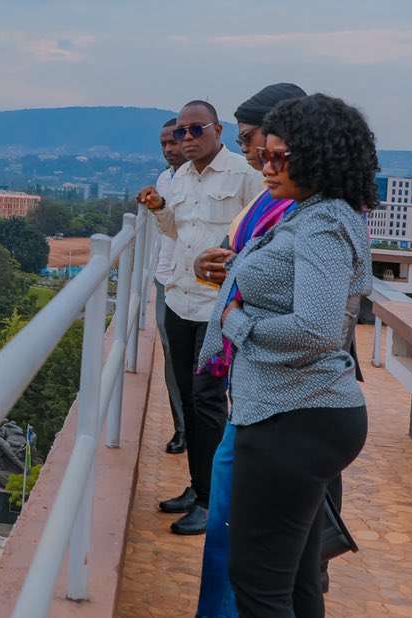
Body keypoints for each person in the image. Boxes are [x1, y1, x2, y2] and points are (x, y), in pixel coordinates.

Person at [198, 94, 377, 616]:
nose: (265, 165)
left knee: (257, 583)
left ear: (319, 158)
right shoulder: (314, 213)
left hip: (292, 417)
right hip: (301, 413)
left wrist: (235, 320)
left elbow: (316, 329)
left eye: (281, 157)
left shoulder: (321, 225)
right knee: (295, 580)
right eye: (265, 153)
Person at [192, 82, 308, 618]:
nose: (254, 155)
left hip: (284, 397)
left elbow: (317, 323)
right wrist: (220, 268)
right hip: (262, 389)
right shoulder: (278, 195)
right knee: (290, 558)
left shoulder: (318, 214)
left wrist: (233, 314)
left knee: (243, 540)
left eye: (254, 140)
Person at [137, 100, 264, 535]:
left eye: (195, 131)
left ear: (218, 130)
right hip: (179, 301)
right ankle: (197, 486)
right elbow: (180, 232)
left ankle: (213, 502)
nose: (185, 139)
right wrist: (159, 209)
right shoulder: (180, 178)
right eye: (179, 133)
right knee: (189, 401)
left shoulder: (245, 176)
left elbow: (263, 239)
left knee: (209, 401)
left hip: (217, 310)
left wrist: (235, 276)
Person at [153, 118, 189, 455]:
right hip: (165, 278)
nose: (169, 149)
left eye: (174, 142)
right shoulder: (164, 178)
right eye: (164, 143)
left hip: (198, 281)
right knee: (171, 357)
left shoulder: (207, 179)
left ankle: (207, 424)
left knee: (204, 359)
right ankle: (183, 428)